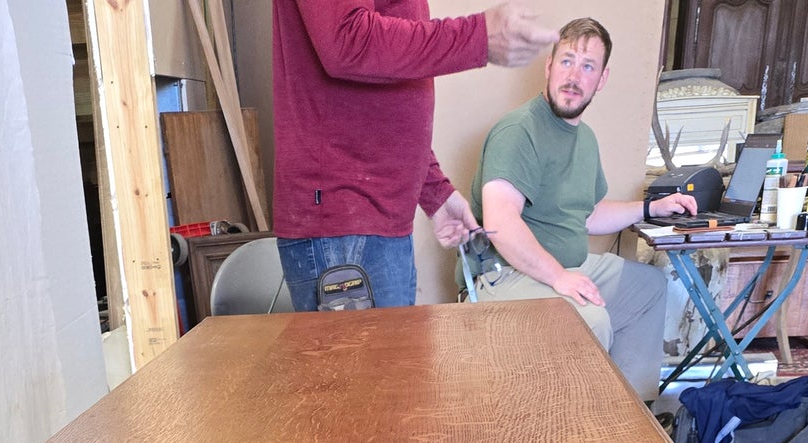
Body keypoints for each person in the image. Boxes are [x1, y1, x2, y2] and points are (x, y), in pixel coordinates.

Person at [272, 0, 563, 310]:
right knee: (371, 360)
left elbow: (385, 88)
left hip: (374, 220)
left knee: (391, 358)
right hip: (345, 218)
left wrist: (433, 188)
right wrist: (476, 36)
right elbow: (347, 40)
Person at [466, 16, 697, 397]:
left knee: (652, 287)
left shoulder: (584, 138)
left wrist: (651, 208)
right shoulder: (518, 131)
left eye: (587, 66)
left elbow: (587, 215)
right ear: (549, 66)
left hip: (564, 267)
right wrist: (559, 277)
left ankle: (629, 421)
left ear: (601, 79)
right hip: (502, 276)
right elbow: (500, 223)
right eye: (567, 61)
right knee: (590, 318)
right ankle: (578, 439)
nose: (574, 76)